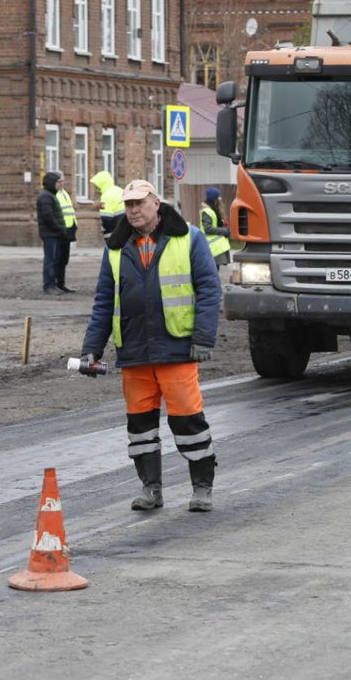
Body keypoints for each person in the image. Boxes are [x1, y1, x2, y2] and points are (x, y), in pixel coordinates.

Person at [78, 179, 222, 513]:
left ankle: (202, 489)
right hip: (134, 351)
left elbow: (209, 290)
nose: (133, 210)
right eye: (128, 205)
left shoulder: (188, 238)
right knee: (140, 427)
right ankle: (150, 489)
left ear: (156, 203)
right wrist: (92, 349)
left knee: (188, 422)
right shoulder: (115, 247)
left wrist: (202, 338)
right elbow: (103, 301)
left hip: (177, 348)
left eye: (139, 203)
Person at [36, 171, 71, 296]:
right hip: (51, 234)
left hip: (54, 233)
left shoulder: (50, 195)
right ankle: (49, 285)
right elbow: (48, 216)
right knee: (50, 260)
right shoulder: (46, 196)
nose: (61, 184)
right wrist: (59, 229)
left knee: (56, 259)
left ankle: (55, 284)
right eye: (58, 182)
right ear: (52, 183)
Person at [55, 174, 78, 291]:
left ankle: (61, 283)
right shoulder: (54, 195)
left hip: (68, 229)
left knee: (64, 258)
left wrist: (74, 225)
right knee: (57, 258)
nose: (61, 183)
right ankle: (55, 283)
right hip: (60, 230)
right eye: (59, 181)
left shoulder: (64, 193)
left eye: (63, 181)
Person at [199, 187, 232, 269]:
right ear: (215, 199)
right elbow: (208, 229)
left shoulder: (212, 210)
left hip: (214, 248)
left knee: (214, 272)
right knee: (212, 272)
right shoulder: (207, 211)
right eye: (218, 197)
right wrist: (224, 231)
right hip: (211, 247)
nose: (220, 199)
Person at [89, 170, 125, 240]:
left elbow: (106, 217)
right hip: (126, 229)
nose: (97, 187)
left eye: (97, 185)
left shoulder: (106, 196)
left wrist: (104, 230)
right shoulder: (120, 190)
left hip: (114, 233)